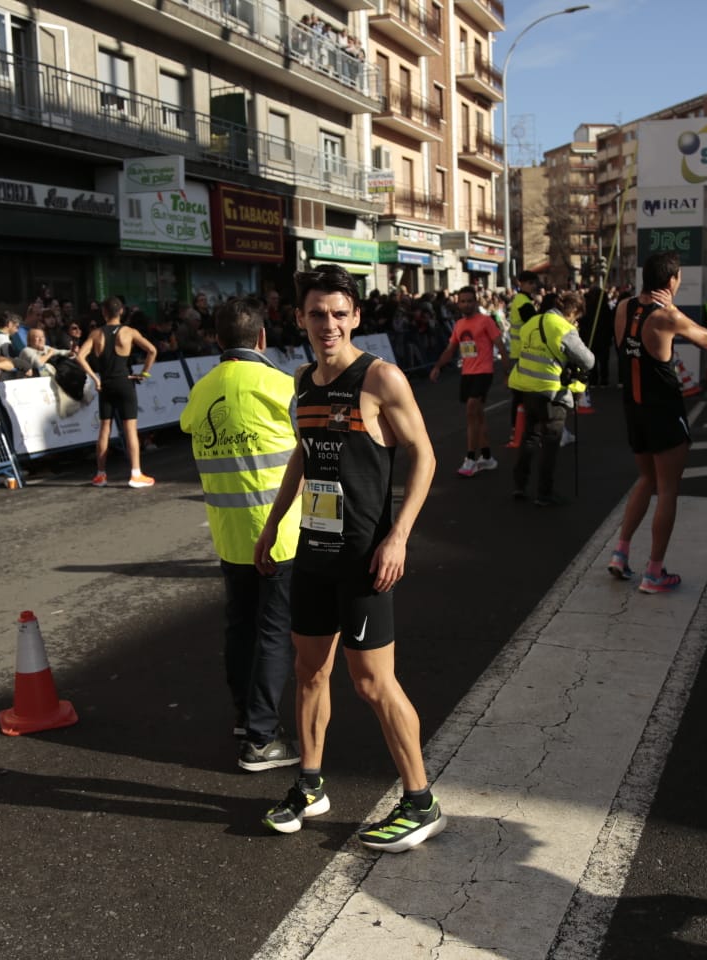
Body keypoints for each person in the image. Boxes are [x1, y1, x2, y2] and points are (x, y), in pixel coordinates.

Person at [253, 264, 443, 853]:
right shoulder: (301, 381)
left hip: (366, 556)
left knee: (372, 682)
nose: (328, 324)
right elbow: (303, 457)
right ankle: (309, 785)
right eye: (317, 314)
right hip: (314, 552)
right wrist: (275, 521)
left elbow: (425, 457)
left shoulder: (381, 378)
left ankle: (421, 801)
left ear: (356, 316)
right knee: (310, 672)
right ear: (301, 318)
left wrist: (399, 536)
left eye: (339, 313)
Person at [180, 298, 303, 772]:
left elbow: (191, 427)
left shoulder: (203, 389)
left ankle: (244, 715)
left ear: (216, 339)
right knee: (274, 631)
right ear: (263, 338)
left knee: (241, 626)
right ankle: (261, 737)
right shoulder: (282, 385)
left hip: (229, 533)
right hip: (281, 533)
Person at [610, 252, 707, 594]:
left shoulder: (624, 307)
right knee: (667, 489)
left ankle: (620, 553)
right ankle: (654, 572)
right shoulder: (666, 317)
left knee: (646, 477)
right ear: (671, 281)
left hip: (633, 408)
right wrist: (675, 312)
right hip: (663, 409)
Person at [506, 290, 594, 506]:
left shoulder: (532, 322)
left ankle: (520, 485)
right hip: (552, 391)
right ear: (572, 311)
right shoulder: (564, 328)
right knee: (551, 441)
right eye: (576, 317)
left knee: (529, 437)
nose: (575, 321)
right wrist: (574, 333)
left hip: (527, 388)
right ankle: (544, 493)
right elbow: (588, 360)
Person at [77, 297, 157, 489]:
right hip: (125, 383)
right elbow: (152, 350)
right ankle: (136, 473)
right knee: (130, 429)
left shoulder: (96, 334)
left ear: (104, 313)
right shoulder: (128, 332)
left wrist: (95, 379)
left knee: (105, 429)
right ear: (121, 311)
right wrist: (144, 373)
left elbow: (80, 356)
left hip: (105, 384)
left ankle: (101, 475)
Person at [430, 286, 501, 478]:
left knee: (471, 409)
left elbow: (500, 344)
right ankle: (487, 457)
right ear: (458, 303)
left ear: (476, 302)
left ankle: (470, 458)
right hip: (467, 373)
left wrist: (510, 368)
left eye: (470, 300)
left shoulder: (486, 321)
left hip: (484, 372)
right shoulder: (459, 324)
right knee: (478, 415)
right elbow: (450, 349)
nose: (466, 304)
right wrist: (437, 367)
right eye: (463, 301)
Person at [505, 271, 540, 444]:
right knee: (521, 394)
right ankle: (518, 428)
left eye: (533, 282)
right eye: (530, 283)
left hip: (518, 352)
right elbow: (533, 325)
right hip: (522, 353)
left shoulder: (521, 300)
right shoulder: (523, 302)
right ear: (522, 283)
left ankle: (517, 428)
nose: (533, 286)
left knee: (519, 393)